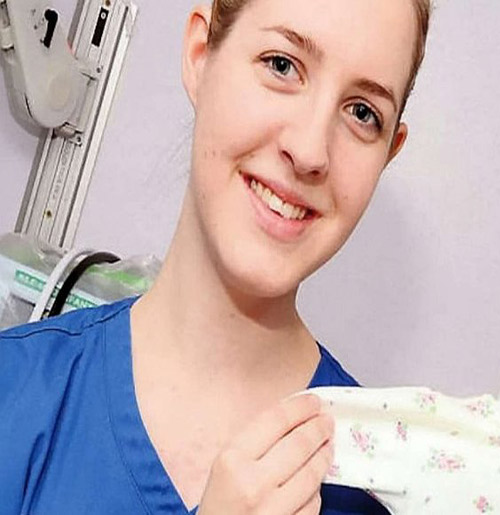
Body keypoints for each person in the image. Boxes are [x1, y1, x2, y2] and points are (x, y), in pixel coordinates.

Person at [0, 0, 431, 513]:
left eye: (363, 113)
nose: (310, 151)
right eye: (282, 65)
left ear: (388, 152)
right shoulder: (15, 394)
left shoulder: (380, 488)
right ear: (200, 55)